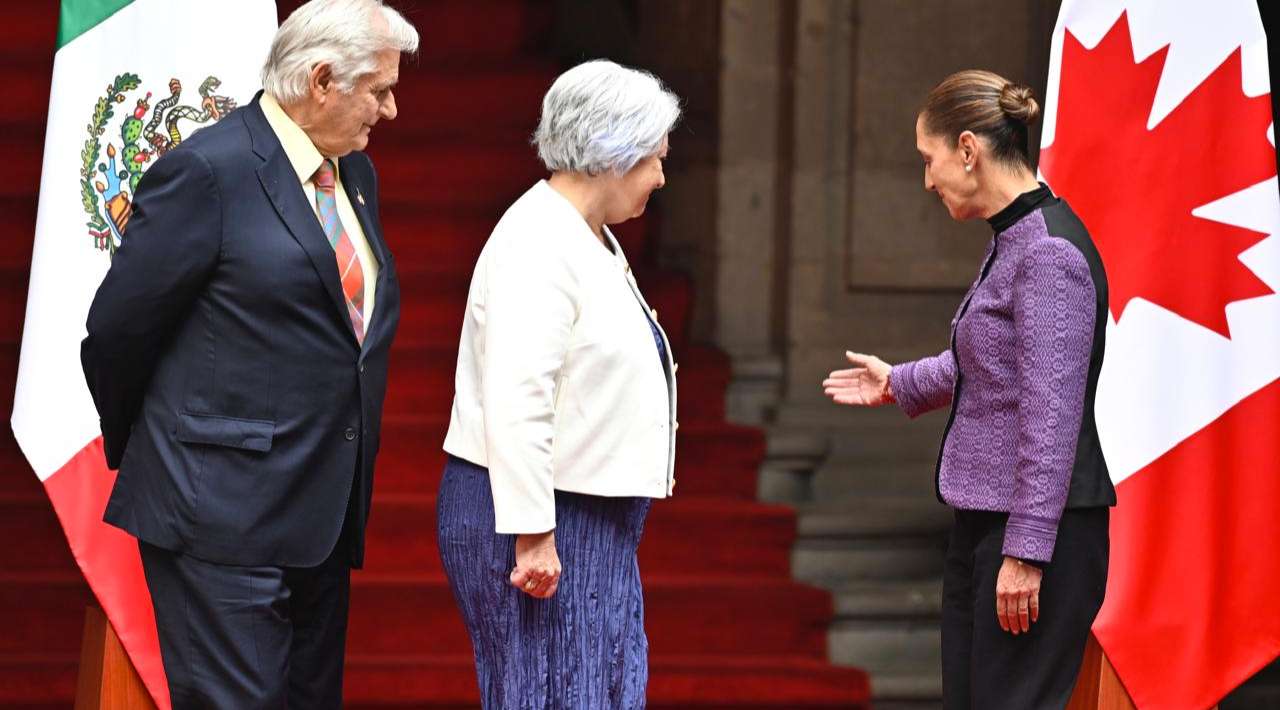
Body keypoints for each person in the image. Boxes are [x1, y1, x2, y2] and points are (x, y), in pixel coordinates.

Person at [79, 1, 417, 706]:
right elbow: (117, 332)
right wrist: (176, 454)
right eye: (378, 89)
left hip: (319, 518)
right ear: (321, 80)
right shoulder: (208, 172)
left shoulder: (353, 174)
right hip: (221, 522)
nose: (389, 109)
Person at [822, 70, 1115, 709]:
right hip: (991, 524)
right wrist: (900, 383)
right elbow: (995, 362)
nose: (927, 180)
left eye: (929, 160)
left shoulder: (1045, 254)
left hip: (1035, 535)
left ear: (967, 150)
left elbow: (1051, 410)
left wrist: (1027, 552)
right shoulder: (1016, 237)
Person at [437, 59, 680, 709]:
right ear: (612, 153)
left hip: (582, 515)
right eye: (653, 158)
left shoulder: (586, 234)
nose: (661, 176)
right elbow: (519, 394)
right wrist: (533, 531)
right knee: (546, 694)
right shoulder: (539, 240)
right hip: (536, 520)